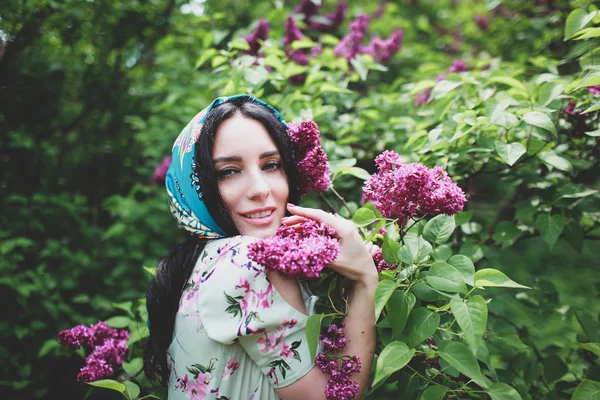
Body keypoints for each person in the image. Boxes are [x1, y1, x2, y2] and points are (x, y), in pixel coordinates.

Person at [144, 94, 378, 400]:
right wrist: (364, 280)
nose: (259, 189)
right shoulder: (247, 261)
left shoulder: (202, 261)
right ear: (196, 187)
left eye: (271, 165)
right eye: (228, 171)